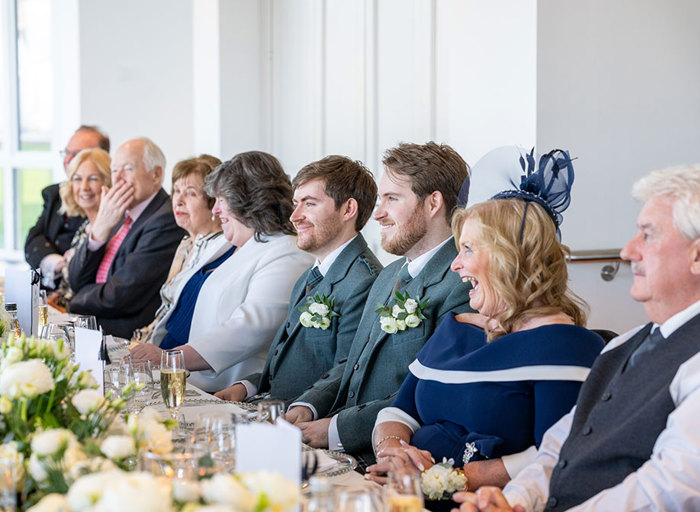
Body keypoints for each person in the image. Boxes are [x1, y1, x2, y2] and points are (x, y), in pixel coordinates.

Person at [455, 164, 700, 511]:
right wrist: (514, 501)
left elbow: (669, 490)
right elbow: (559, 448)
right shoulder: (619, 347)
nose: (628, 251)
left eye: (648, 234)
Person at [367, 149, 605, 499]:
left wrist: (457, 478)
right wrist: (395, 450)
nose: (455, 265)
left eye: (467, 250)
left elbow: (556, 455)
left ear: (512, 256)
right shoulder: (457, 327)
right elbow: (398, 411)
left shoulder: (565, 345)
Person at [285, 141, 474, 465]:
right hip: (341, 447)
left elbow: (431, 391)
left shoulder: (463, 283)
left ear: (433, 203)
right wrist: (309, 405)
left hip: (393, 458)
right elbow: (353, 362)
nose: (378, 213)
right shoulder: (388, 276)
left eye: (392, 199)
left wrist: (337, 429)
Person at [130, 151, 313, 392]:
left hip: (227, 389)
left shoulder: (288, 253)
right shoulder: (226, 243)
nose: (215, 210)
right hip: (182, 376)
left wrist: (170, 357)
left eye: (221, 199)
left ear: (247, 200)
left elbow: (247, 327)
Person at [214, 155, 383, 404]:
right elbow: (292, 364)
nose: (295, 216)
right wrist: (248, 386)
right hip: (264, 405)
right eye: (296, 203)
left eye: (310, 204)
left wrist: (303, 409)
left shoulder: (364, 280)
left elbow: (347, 371)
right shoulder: (309, 275)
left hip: (303, 422)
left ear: (348, 209)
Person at [67, 137, 185, 338]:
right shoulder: (118, 211)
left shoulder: (165, 219)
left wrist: (76, 299)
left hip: (124, 339)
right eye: (114, 170)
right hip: (95, 329)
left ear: (156, 175)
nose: (118, 178)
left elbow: (121, 296)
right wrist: (99, 232)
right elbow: (76, 279)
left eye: (128, 169)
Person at [131, 155, 226, 343]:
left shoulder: (222, 247)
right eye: (176, 191)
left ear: (214, 201)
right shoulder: (186, 243)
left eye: (191, 193)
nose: (178, 201)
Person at [25, 125, 110, 287]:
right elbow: (33, 239)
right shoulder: (54, 194)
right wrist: (56, 263)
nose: (68, 160)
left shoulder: (107, 217)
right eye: (67, 153)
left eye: (78, 154)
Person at [49, 148, 112, 309]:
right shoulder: (85, 226)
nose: (84, 187)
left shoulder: (110, 231)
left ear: (108, 183)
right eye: (77, 179)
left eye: (92, 179)